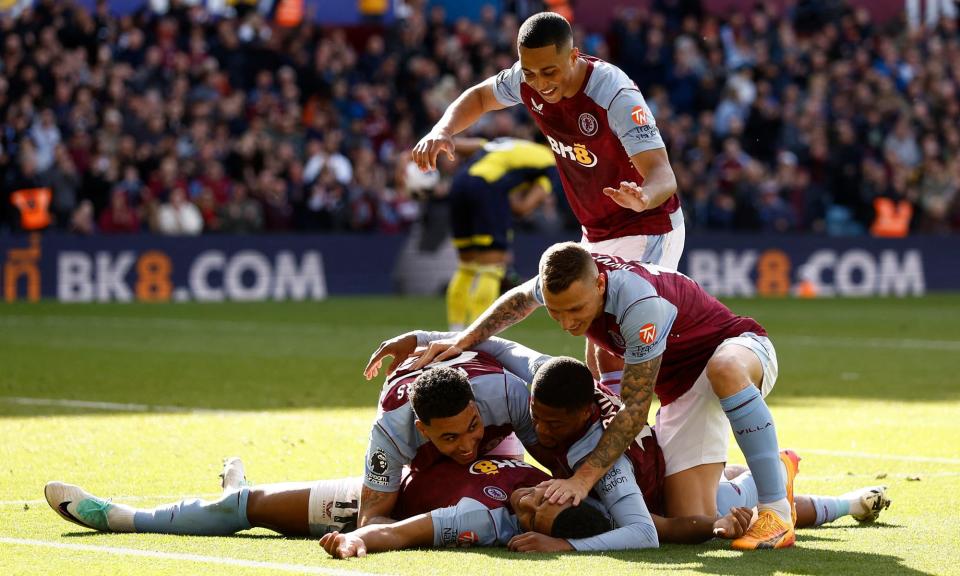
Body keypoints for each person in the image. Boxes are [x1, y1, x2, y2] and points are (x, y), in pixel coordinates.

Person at [388, 242, 795, 549]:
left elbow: (635, 410)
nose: (567, 322)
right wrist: (452, 339)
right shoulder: (569, 278)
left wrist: (584, 479)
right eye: (556, 311)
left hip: (739, 349)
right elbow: (515, 306)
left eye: (575, 309)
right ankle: (776, 472)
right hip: (684, 392)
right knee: (688, 518)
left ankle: (776, 512)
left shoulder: (640, 307)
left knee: (722, 369)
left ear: (600, 283)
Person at [411, 11, 685, 386]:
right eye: (530, 73)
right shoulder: (526, 81)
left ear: (573, 57)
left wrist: (643, 196)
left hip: (647, 222)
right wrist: (442, 129)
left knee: (617, 334)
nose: (540, 83)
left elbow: (663, 175)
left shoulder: (613, 93)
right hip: (598, 229)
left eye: (550, 72)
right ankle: (618, 429)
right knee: (596, 340)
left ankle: (638, 430)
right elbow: (478, 97)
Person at [445, 137, 558, 331]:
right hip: (487, 189)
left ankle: (454, 330)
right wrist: (507, 203)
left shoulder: (513, 144)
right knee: (491, 269)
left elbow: (468, 145)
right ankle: (475, 338)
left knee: (466, 267)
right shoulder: (551, 162)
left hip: (459, 184)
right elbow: (523, 207)